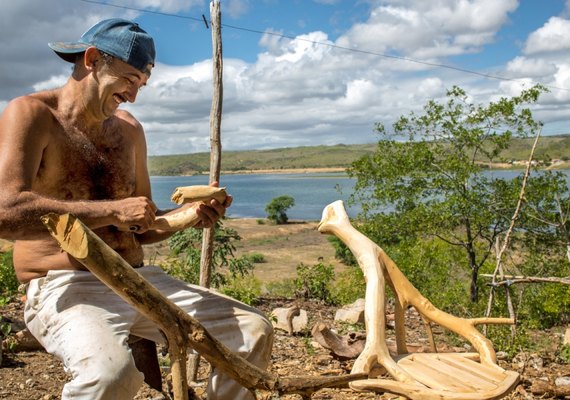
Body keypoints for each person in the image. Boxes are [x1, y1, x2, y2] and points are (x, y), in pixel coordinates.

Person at [0, 18, 273, 400]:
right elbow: (6, 213)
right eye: (129, 79)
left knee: (252, 329)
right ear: (93, 59)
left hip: (139, 278)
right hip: (66, 285)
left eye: (140, 85)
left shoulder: (129, 130)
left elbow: (140, 226)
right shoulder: (32, 114)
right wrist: (112, 211)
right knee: (110, 376)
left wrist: (190, 216)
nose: (132, 95)